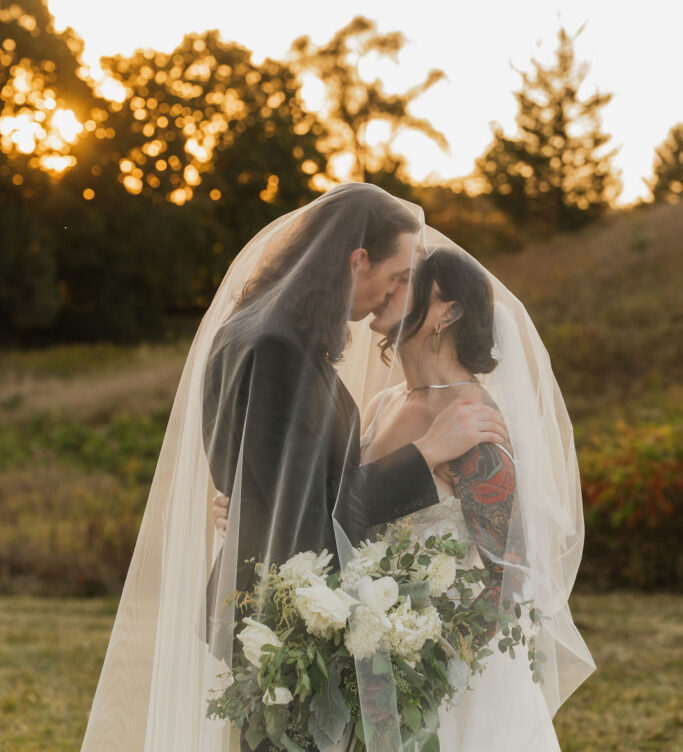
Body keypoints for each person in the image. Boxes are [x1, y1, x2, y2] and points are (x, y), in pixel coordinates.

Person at [79, 183, 509, 752]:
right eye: (399, 274)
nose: (394, 292)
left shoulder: (272, 334)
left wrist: (253, 504)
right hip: (293, 621)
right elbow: (310, 509)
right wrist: (426, 454)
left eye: (410, 284)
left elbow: (288, 484)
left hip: (311, 620)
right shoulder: (277, 347)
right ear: (358, 260)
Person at [213, 224, 595, 751]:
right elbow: (330, 500)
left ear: (448, 311)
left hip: (444, 682)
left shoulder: (472, 421)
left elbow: (510, 576)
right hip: (360, 659)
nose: (388, 290)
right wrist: (259, 505)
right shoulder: (381, 406)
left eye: (408, 282)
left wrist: (423, 668)